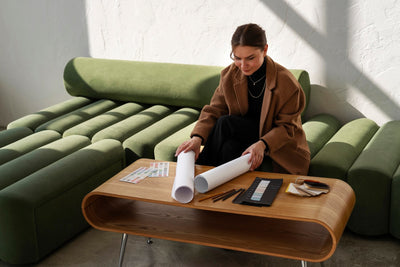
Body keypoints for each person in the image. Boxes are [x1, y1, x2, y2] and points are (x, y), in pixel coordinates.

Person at [175, 23, 310, 175]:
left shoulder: (286, 82)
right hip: (243, 134)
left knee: (225, 122)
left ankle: (197, 174)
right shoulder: (230, 75)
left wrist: (262, 144)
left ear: (264, 50)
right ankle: (210, 186)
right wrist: (197, 138)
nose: (243, 65)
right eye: (237, 58)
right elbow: (215, 109)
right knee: (229, 147)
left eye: (250, 58)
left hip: (275, 140)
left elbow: (287, 128)